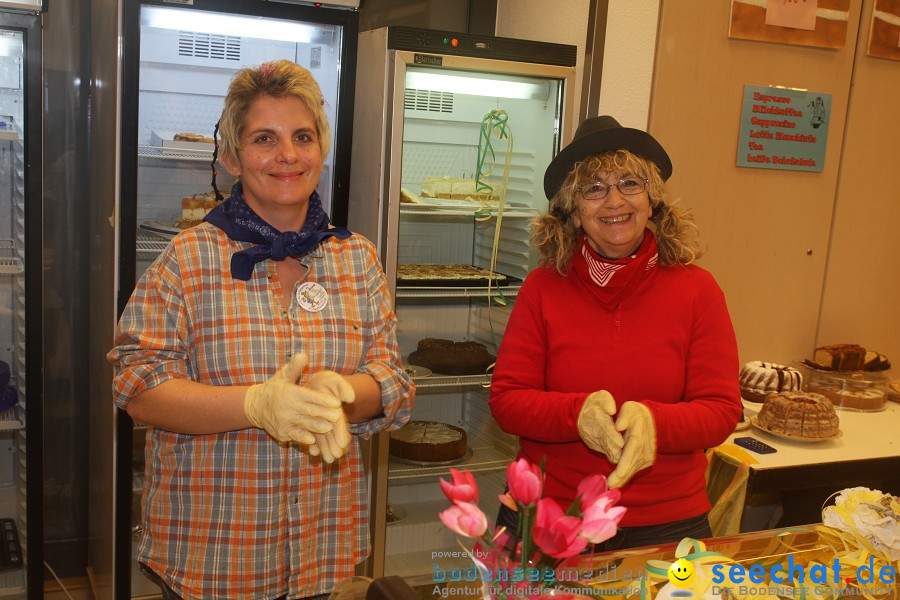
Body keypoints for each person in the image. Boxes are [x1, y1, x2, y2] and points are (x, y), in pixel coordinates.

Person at [108, 59, 414, 599]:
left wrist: (345, 395)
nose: (288, 155)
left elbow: (392, 377)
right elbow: (138, 387)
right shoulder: (188, 259)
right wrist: (255, 405)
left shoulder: (357, 259)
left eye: (302, 136)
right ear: (230, 156)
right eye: (264, 138)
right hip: (213, 556)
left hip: (323, 550)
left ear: (322, 148)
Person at [489, 115, 741, 550]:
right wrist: (576, 415)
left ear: (652, 200)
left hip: (667, 520)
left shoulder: (697, 290)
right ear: (572, 211)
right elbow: (507, 401)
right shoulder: (543, 288)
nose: (613, 200)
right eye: (593, 188)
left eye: (629, 183)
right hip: (549, 512)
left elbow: (721, 410)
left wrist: (654, 421)